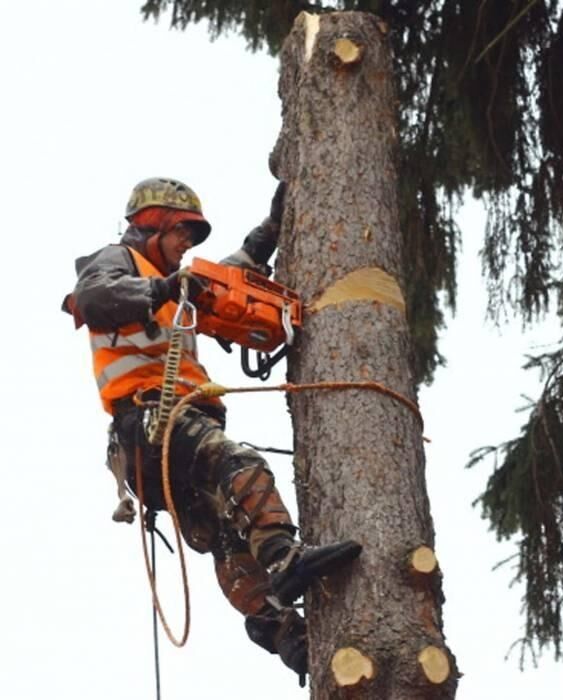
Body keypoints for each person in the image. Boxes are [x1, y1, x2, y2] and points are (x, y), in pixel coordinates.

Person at [62, 177, 361, 683]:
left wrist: (269, 231)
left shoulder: (175, 286)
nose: (187, 245)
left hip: (162, 445)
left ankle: (281, 631)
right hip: (152, 419)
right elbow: (91, 297)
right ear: (149, 225)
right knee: (240, 466)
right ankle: (286, 558)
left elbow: (227, 280)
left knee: (229, 540)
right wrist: (163, 287)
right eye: (182, 232)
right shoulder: (118, 266)